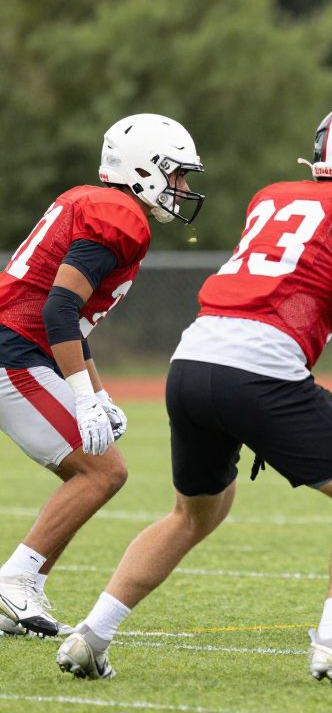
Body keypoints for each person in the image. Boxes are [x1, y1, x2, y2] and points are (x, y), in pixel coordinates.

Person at [56, 101, 332, 684]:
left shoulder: (276, 196)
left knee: (194, 513)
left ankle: (91, 634)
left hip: (192, 360)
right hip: (260, 366)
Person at [0, 114, 204, 638]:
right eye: (176, 175)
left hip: (22, 346)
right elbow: (58, 310)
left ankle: (25, 585)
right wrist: (82, 397)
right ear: (144, 169)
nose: (183, 189)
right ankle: (16, 579)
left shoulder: (94, 201)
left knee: (95, 470)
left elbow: (74, 323)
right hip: (14, 350)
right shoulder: (120, 215)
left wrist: (99, 390)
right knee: (102, 472)